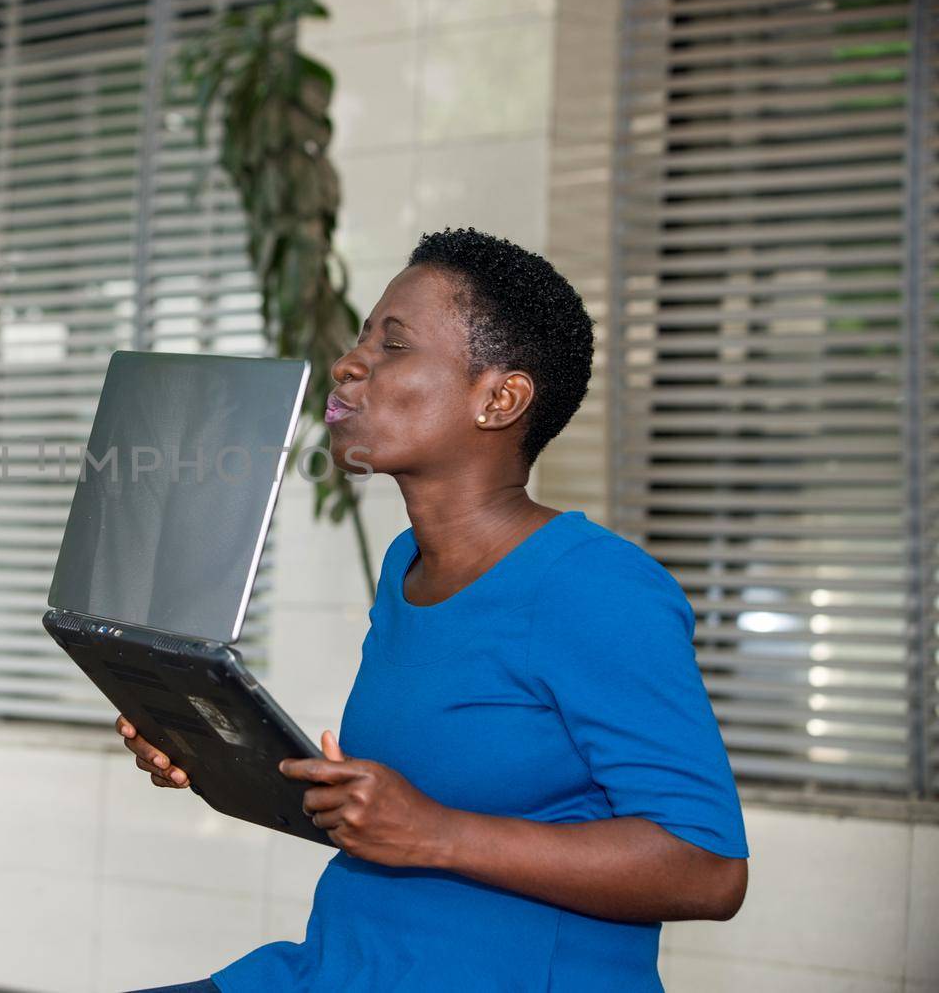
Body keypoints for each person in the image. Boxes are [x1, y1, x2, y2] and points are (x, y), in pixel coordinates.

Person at [117, 228, 749, 992]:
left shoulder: (597, 587)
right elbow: (398, 804)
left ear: (500, 399)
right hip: (340, 969)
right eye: (361, 339)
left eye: (394, 345)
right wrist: (214, 749)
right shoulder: (406, 567)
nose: (351, 363)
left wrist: (437, 835)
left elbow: (710, 871)